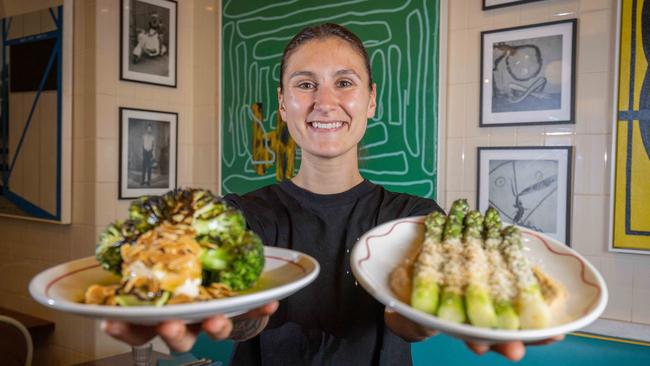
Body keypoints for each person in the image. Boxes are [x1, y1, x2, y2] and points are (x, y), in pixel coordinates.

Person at [105, 23, 562, 365]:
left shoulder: (415, 218)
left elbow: (402, 322)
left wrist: (429, 314)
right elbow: (246, 321)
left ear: (371, 100)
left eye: (344, 82)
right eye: (306, 85)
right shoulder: (242, 215)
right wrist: (208, 311)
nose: (325, 102)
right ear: (284, 104)